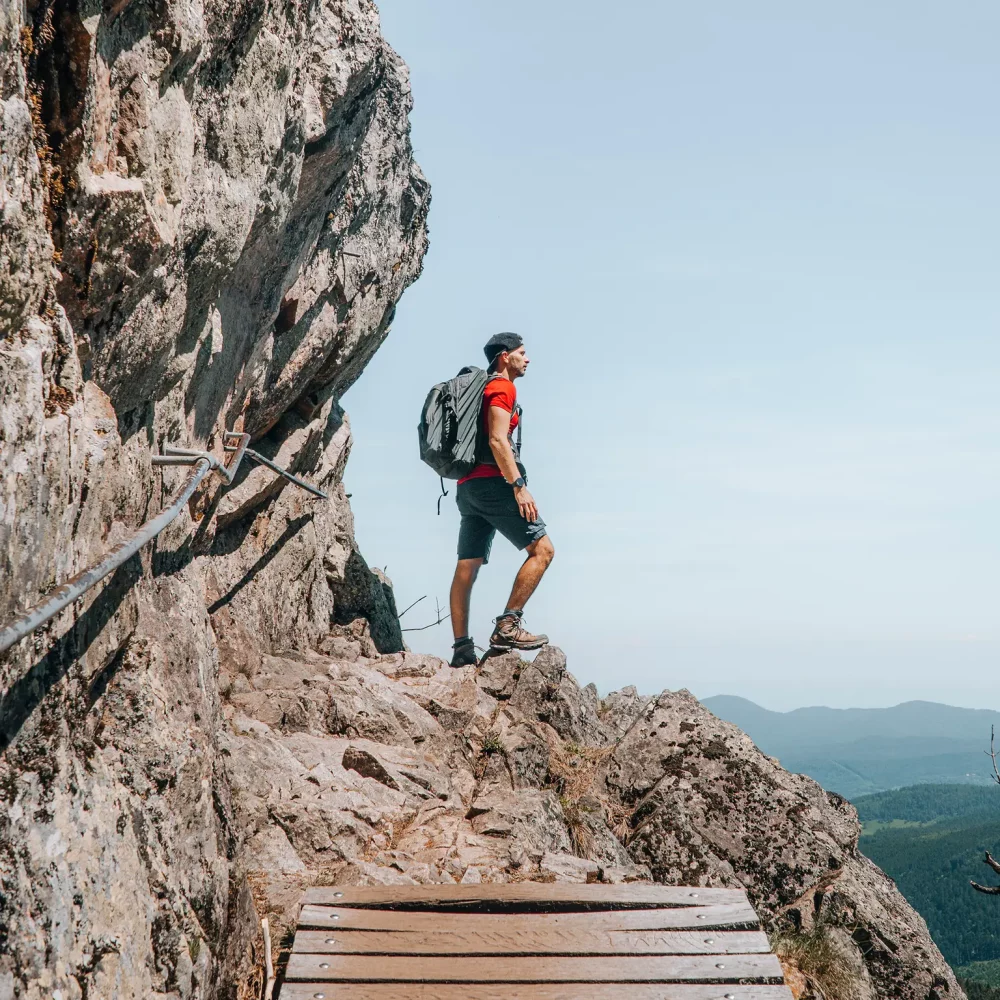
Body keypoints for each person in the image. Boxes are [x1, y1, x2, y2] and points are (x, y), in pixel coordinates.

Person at [448, 332, 555, 667]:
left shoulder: (480, 388)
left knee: (467, 565)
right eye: (523, 353)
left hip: (467, 488)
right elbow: (497, 440)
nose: (528, 359)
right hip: (494, 484)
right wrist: (519, 485)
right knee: (543, 550)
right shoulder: (501, 387)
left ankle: (462, 648)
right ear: (505, 356)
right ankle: (508, 625)